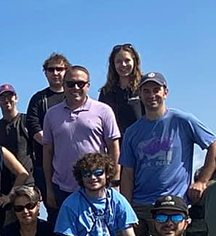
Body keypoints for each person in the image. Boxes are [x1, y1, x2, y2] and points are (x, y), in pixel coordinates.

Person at [119, 72, 216, 236]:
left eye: (156, 90)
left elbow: (213, 143)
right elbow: (127, 171)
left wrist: (202, 180)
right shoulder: (132, 132)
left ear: (166, 92)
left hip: (172, 204)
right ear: (140, 95)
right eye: (146, 91)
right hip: (140, 206)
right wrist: (126, 209)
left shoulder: (183, 120)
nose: (152, 95)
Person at [42, 65, 120, 214]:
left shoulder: (103, 110)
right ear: (64, 86)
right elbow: (48, 153)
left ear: (88, 86)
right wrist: (49, 189)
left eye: (81, 84)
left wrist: (114, 181)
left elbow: (114, 148)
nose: (75, 87)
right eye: (71, 84)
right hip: (62, 188)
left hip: (96, 185)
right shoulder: (51, 114)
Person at [24, 52, 69, 201]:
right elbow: (32, 125)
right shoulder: (38, 99)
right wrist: (53, 145)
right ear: (46, 73)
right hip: (45, 164)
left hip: (71, 163)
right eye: (51, 70)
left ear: (66, 71)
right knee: (53, 206)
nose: (55, 73)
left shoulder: (74, 96)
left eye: (59, 69)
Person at [0, 85, 36, 222]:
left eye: (9, 96)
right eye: (2, 97)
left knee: (30, 223)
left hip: (27, 184)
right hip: (4, 188)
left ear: (16, 98)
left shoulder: (26, 121)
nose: (6, 100)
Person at [98, 43, 144, 133]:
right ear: (113, 64)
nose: (123, 64)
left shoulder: (144, 87)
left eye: (127, 60)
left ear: (134, 61)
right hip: (115, 143)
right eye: (118, 61)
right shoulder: (106, 92)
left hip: (141, 142)